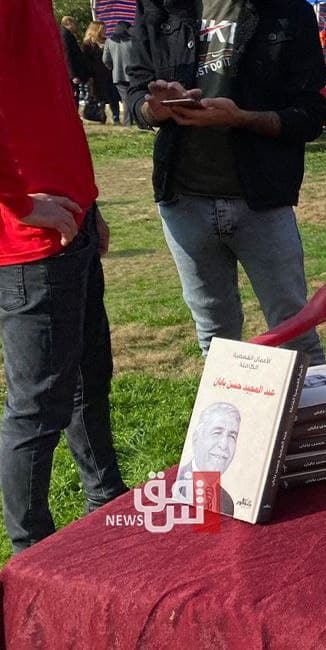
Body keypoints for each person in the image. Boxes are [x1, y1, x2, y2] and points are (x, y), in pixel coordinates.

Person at [127, 0, 326, 366]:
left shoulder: (288, 11)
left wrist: (241, 118)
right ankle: (230, 405)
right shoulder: (160, 7)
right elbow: (136, 95)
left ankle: (312, 407)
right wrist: (153, 109)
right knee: (215, 339)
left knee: (296, 334)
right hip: (183, 199)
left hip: (262, 198)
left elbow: (311, 115)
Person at [0, 0, 129, 552]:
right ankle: (30, 556)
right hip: (29, 241)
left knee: (88, 380)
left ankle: (108, 507)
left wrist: (90, 201)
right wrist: (18, 202)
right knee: (36, 409)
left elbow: (50, 112)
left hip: (68, 221)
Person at [172, 402, 239, 514]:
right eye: (217, 433)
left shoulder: (227, 503)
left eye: (232, 436)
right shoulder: (172, 484)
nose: (224, 445)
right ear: (196, 438)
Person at [82, 21, 120, 123]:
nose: (105, 31)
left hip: (109, 73)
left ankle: (116, 117)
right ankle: (100, 116)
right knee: (99, 97)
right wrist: (89, 75)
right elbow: (86, 61)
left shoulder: (107, 41)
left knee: (113, 96)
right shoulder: (88, 44)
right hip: (96, 76)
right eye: (103, 29)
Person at [103, 21, 136, 127]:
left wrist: (112, 68)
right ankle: (132, 120)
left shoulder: (109, 41)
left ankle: (128, 122)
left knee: (125, 99)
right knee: (133, 98)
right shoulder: (133, 41)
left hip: (118, 75)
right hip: (133, 74)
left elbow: (105, 59)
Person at [60, 16, 86, 102]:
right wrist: (73, 75)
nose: (76, 26)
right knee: (74, 96)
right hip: (72, 73)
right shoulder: (65, 35)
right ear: (68, 23)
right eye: (74, 23)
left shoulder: (67, 34)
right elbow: (67, 55)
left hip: (72, 71)